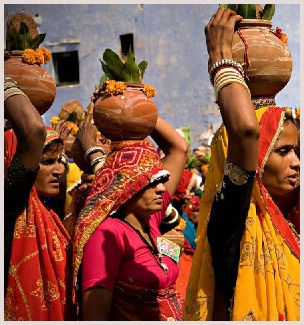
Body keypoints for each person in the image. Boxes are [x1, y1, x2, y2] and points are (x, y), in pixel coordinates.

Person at [183, 7, 300, 321]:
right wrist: (221, 58)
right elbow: (246, 131)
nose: (296, 162)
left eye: (297, 151)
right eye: (284, 151)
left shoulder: (293, 220)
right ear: (255, 161)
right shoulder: (230, 224)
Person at [71, 115, 189, 320]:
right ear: (127, 186)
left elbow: (179, 149)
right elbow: (95, 317)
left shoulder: (150, 219)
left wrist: (141, 106)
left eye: (162, 180)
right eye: (152, 182)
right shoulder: (107, 234)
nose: (162, 189)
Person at [4, 77, 74, 321]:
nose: (60, 170)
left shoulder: (48, 215)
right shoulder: (11, 207)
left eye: (60, 161)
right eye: (47, 162)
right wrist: (7, 80)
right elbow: (33, 130)